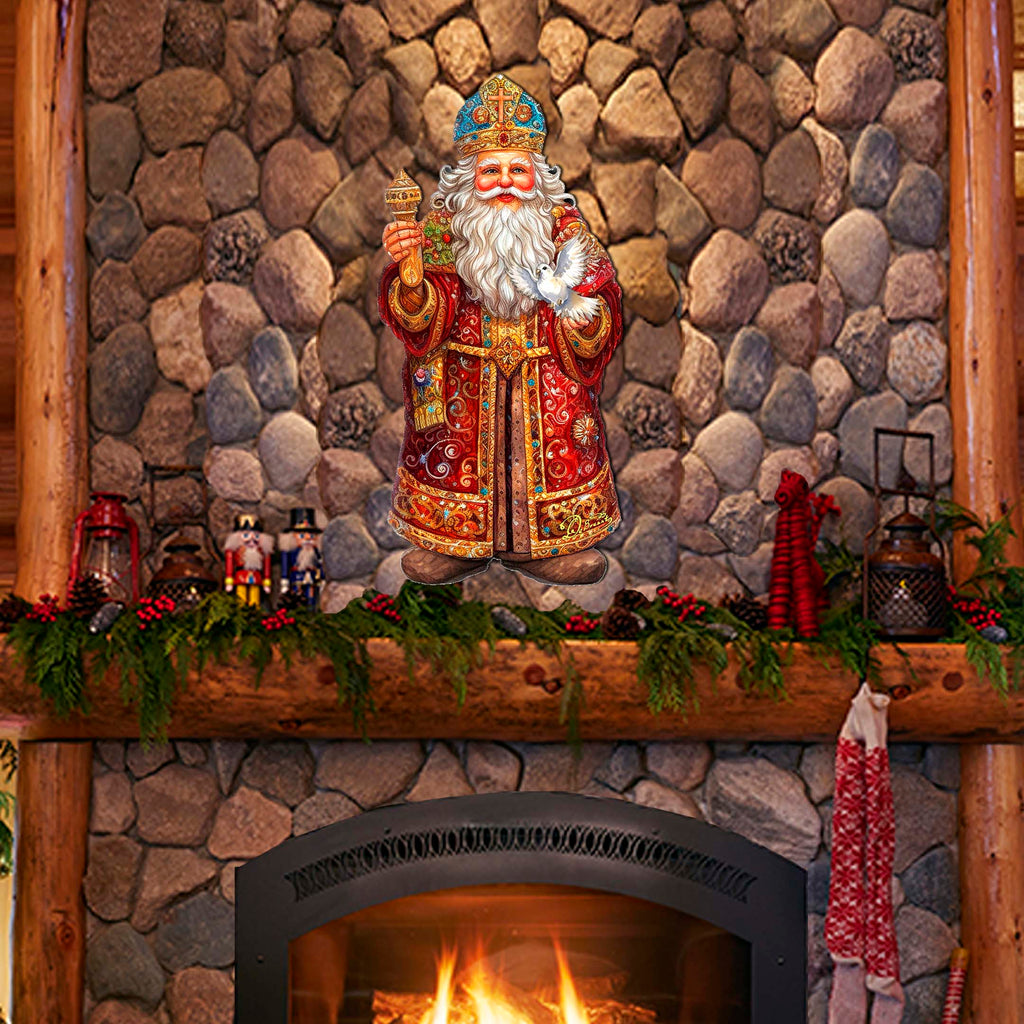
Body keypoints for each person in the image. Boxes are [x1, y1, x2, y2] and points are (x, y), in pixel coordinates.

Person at [380, 74, 623, 587]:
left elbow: (600, 301)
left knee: (548, 449)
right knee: (460, 450)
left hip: (545, 384)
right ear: (469, 177)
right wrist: (410, 267)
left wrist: (585, 316)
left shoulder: (565, 230)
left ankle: (550, 547)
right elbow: (418, 322)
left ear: (539, 175)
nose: (507, 181)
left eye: (519, 170)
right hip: (463, 387)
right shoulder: (445, 232)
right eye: (491, 171)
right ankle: (457, 542)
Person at [223, 513, 273, 608]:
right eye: (246, 535)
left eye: (256, 536)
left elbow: (267, 566)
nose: (252, 539)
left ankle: (254, 613)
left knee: (255, 598)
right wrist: (229, 580)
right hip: (240, 575)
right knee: (241, 598)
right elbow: (229, 564)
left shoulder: (263, 550)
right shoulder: (234, 550)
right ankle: (241, 614)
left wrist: (267, 581)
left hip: (256, 576)